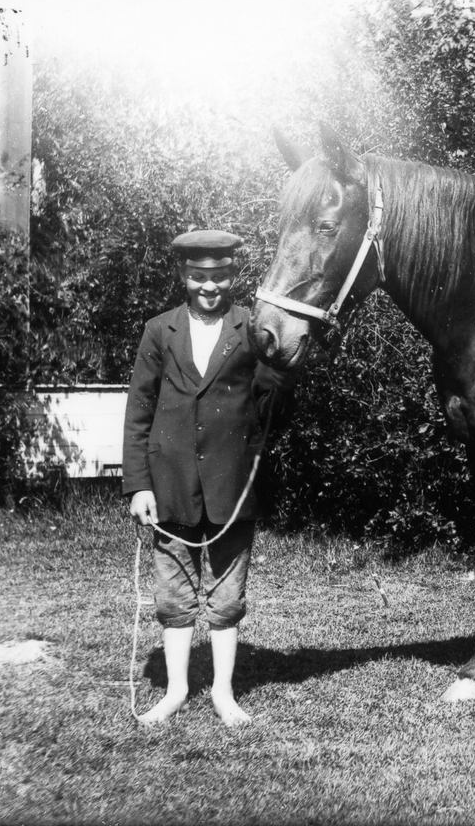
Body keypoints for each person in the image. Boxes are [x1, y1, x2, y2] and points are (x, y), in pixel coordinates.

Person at [123, 229, 295, 727]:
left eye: (219, 276)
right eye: (199, 276)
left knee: (227, 595)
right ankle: (176, 690)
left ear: (232, 275)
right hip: (170, 483)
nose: (209, 286)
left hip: (231, 484)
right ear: (183, 274)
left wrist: (284, 376)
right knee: (174, 593)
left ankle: (223, 691)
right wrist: (139, 485)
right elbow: (139, 411)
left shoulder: (253, 329)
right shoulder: (159, 330)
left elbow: (271, 409)